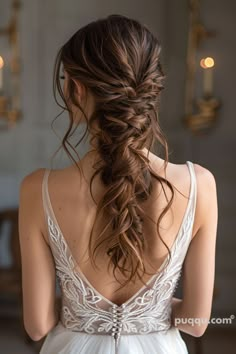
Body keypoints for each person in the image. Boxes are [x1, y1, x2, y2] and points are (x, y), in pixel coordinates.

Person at [18, 14, 218, 354]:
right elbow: (196, 322)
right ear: (150, 90)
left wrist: (80, 310)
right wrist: (150, 312)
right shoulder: (199, 184)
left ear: (75, 90)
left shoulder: (38, 189)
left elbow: (37, 326)